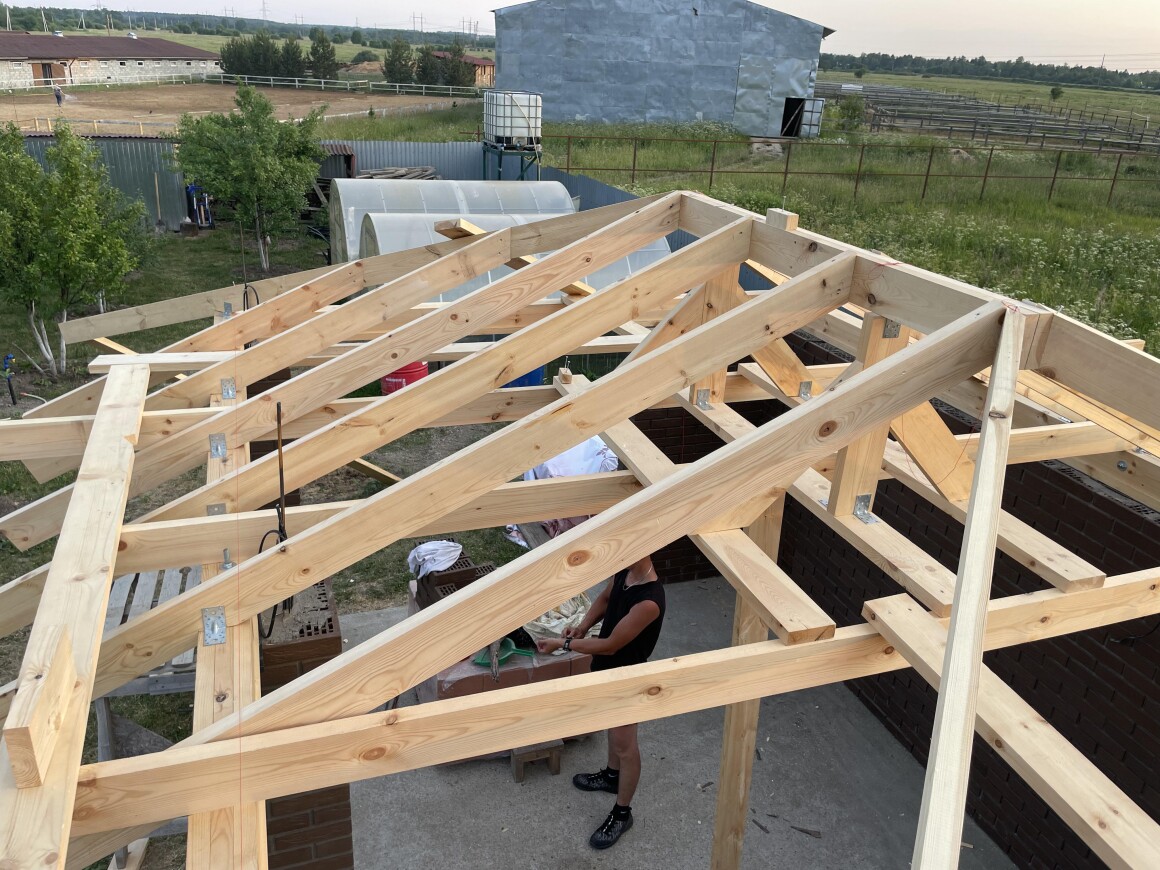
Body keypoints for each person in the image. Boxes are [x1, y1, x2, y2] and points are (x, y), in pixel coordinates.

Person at [535, 554, 666, 849]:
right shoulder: (625, 573)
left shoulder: (649, 601)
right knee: (612, 728)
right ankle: (611, 776)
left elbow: (609, 645)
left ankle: (622, 814)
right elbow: (606, 598)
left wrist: (564, 644)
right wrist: (582, 627)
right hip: (607, 671)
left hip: (626, 680)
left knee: (626, 745)